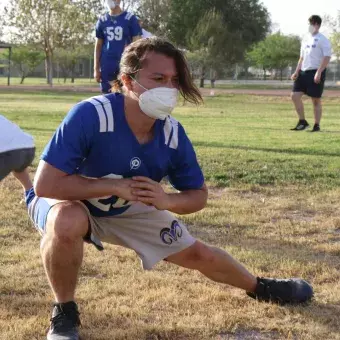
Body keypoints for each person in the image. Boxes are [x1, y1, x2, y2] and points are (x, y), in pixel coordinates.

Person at [29, 37, 313, 340]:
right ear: (128, 80)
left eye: (174, 80)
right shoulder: (91, 115)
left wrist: (167, 200)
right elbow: (45, 185)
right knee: (67, 219)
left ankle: (261, 286)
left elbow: (198, 196)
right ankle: (64, 314)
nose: (169, 88)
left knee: (197, 254)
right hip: (63, 201)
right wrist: (114, 185)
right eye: (159, 78)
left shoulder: (172, 133)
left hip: (124, 206)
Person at [290, 15, 332, 132]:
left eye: (312, 24)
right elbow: (301, 57)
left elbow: (327, 57)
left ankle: (316, 125)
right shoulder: (305, 38)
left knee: (315, 99)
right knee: (294, 96)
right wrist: (296, 71)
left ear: (317, 25)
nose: (310, 26)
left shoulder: (323, 39)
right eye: (309, 24)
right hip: (303, 72)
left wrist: (319, 72)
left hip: (316, 71)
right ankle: (302, 122)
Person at [94, 0, 141, 94]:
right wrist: (96, 69)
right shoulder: (102, 20)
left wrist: (135, 65)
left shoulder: (130, 19)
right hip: (107, 63)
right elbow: (98, 46)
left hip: (125, 63)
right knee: (106, 95)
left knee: (125, 94)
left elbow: (138, 44)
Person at [0, 114, 34, 193]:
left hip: (8, 154)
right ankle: (31, 195)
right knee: (19, 170)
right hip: (29, 148)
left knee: (12, 160)